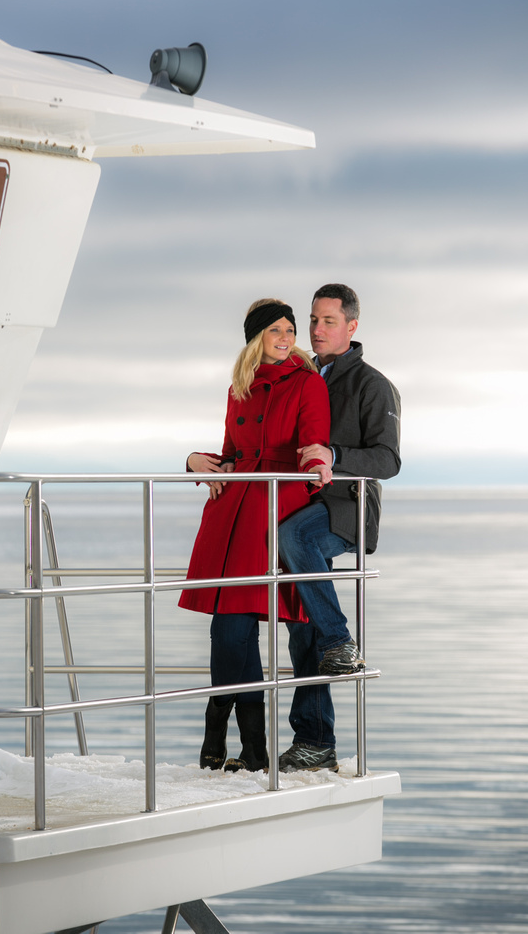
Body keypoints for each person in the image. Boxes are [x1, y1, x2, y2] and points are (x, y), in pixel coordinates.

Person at [179, 298, 332, 773]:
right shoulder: (238, 388)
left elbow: (313, 439)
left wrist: (317, 464)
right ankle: (239, 741)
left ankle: (238, 744)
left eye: (290, 330)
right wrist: (195, 460)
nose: (286, 338)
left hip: (275, 509)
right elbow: (230, 452)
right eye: (275, 331)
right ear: (255, 339)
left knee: (243, 623)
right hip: (231, 513)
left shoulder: (307, 383)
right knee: (229, 632)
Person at [277, 283, 401, 773]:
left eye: (328, 320)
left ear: (352, 326)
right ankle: (315, 741)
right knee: (300, 629)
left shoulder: (372, 385)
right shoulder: (301, 377)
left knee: (296, 538)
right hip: (301, 501)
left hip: (346, 508)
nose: (316, 329)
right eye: (313, 320)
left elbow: (388, 459)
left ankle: (340, 641)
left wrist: (335, 456)